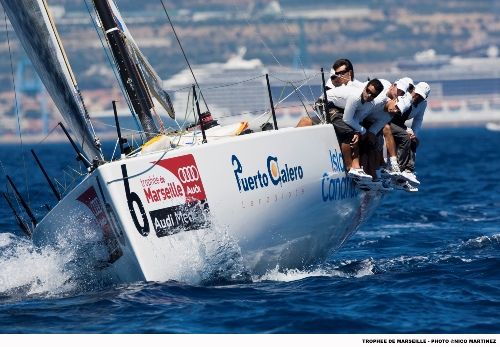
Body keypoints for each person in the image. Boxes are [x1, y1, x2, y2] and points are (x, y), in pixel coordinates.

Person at [325, 79, 384, 181]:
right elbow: (347, 119)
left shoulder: (370, 103)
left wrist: (358, 132)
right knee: (349, 133)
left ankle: (367, 171)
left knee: (360, 135)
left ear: (376, 96)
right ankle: (350, 168)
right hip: (327, 104)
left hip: (340, 109)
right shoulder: (355, 97)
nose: (369, 95)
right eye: (368, 91)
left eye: (373, 95)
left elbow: (356, 119)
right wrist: (361, 131)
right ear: (365, 88)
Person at [382, 82, 430, 185]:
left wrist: (414, 133)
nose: (418, 97)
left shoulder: (423, 104)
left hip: (399, 124)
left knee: (414, 140)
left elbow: (418, 120)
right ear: (414, 90)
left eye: (421, 96)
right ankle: (399, 169)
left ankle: (408, 171)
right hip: (388, 120)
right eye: (417, 94)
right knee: (405, 137)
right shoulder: (405, 95)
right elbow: (392, 110)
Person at [296, 58, 363, 127]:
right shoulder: (332, 84)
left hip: (344, 120)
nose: (338, 77)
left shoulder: (358, 88)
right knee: (304, 121)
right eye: (336, 74)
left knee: (306, 121)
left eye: (342, 73)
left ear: (350, 73)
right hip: (329, 117)